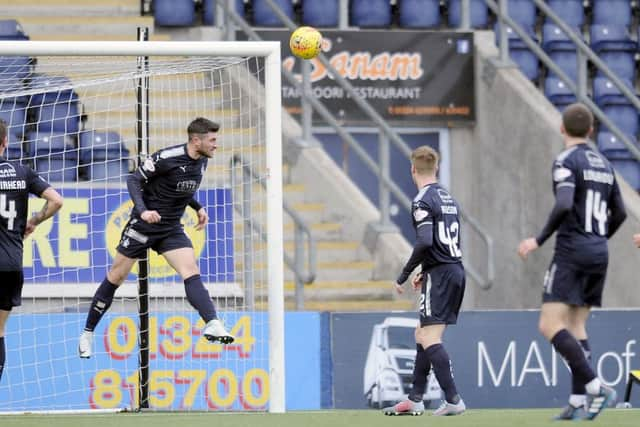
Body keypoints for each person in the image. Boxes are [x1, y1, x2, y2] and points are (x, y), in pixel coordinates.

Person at [78, 117, 234, 358]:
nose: (216, 145)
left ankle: (212, 322)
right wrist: (143, 211)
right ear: (196, 140)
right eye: (212, 140)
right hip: (144, 225)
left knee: (190, 270)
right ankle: (87, 333)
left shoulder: (202, 160)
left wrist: (197, 207)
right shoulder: (166, 158)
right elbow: (133, 179)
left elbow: (178, 187)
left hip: (170, 227)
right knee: (116, 276)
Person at [518, 103, 626, 420]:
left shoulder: (566, 160)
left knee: (549, 324)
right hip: (598, 251)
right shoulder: (604, 163)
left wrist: (537, 240)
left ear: (562, 128)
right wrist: (599, 238)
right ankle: (578, 401)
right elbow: (619, 212)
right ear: (591, 131)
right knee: (576, 325)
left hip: (572, 251)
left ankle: (595, 387)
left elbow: (564, 203)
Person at [383, 146, 466, 416]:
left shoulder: (422, 200)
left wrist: (405, 274)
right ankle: (415, 398)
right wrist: (427, 270)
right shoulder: (448, 198)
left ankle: (453, 399)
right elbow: (443, 241)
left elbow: (425, 241)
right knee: (421, 332)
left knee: (429, 337)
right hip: (453, 269)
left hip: (441, 274)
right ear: (437, 168)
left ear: (412, 170)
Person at [0, 119, 63, 381]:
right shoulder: (22, 172)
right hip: (11, 264)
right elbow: (57, 200)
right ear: (5, 143)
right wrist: (34, 221)